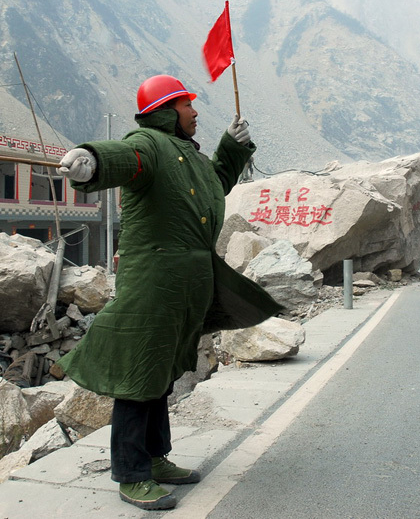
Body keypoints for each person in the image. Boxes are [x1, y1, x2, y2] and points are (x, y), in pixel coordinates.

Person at [55, 74, 282, 511]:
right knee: (139, 374)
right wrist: (92, 160)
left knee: (160, 373)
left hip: (184, 283)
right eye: (186, 105)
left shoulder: (189, 157)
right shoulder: (149, 145)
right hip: (154, 281)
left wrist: (232, 148)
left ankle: (157, 459)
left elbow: (214, 182)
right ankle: (131, 474)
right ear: (165, 111)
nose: (195, 112)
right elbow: (125, 158)